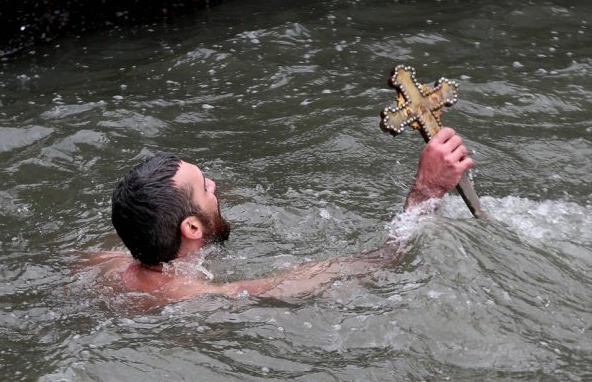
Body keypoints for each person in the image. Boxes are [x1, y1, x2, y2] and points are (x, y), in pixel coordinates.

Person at [83, 127, 473, 304]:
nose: (215, 186)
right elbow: (376, 264)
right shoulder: (202, 296)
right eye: (205, 187)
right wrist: (425, 192)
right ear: (191, 228)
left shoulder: (107, 265)